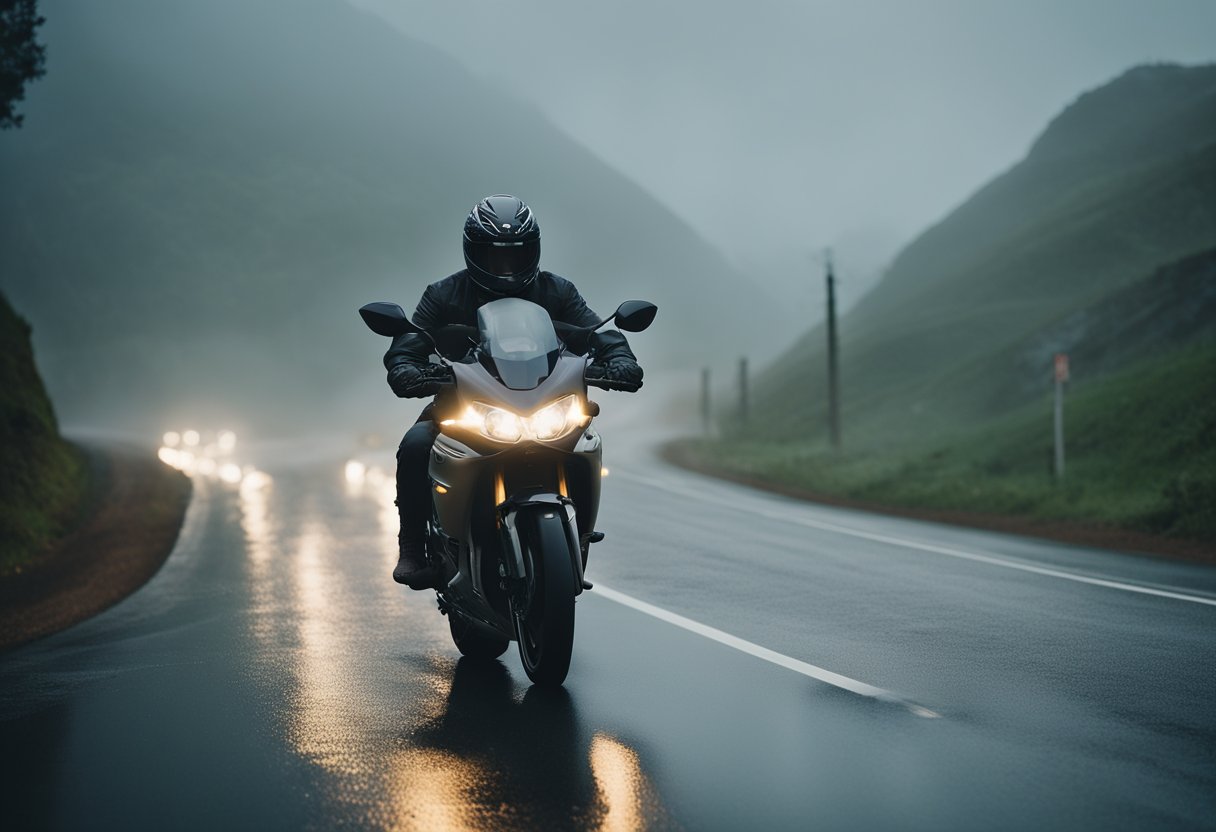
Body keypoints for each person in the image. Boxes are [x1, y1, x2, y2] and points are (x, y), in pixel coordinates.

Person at [384, 195, 644, 588]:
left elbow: (598, 332)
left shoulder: (558, 291)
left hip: (543, 404)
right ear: (473, 252)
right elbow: (408, 342)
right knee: (416, 444)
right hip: (465, 408)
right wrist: (406, 368)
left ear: (533, 252)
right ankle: (413, 547)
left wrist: (621, 358)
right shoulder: (444, 294)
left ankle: (580, 536)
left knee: (584, 441)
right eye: (493, 256)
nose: (505, 266)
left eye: (516, 255)